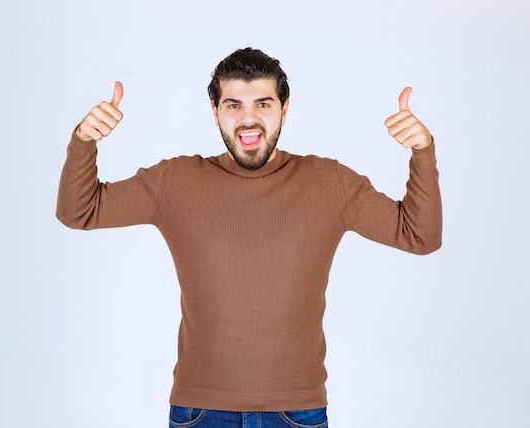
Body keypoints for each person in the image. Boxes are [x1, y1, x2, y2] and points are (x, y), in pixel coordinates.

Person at [57, 47, 442, 428]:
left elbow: (419, 236)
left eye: (262, 104)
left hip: (297, 414)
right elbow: (79, 211)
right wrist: (84, 140)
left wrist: (422, 151)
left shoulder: (329, 183)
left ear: (284, 109)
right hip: (200, 413)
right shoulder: (176, 182)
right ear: (215, 112)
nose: (248, 120)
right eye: (233, 106)